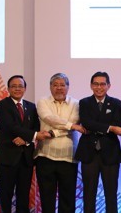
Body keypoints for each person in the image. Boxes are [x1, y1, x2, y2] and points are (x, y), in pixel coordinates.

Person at [0, 75, 50, 213]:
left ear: (25, 88)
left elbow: (36, 127)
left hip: (26, 158)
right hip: (7, 157)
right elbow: (10, 126)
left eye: (20, 86)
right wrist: (32, 135)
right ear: (8, 89)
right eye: (14, 86)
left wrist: (26, 140)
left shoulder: (31, 106)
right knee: (6, 194)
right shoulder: (1, 106)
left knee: (24, 195)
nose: (17, 89)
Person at [75, 72, 121, 213]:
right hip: (89, 153)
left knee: (111, 193)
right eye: (96, 84)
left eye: (102, 84)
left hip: (110, 152)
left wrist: (96, 127)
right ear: (91, 85)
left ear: (108, 86)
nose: (99, 87)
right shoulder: (84, 102)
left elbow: (117, 122)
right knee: (89, 193)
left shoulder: (116, 103)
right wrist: (109, 128)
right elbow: (86, 122)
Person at [35, 73, 85, 213]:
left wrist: (52, 133)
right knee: (46, 198)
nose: (59, 88)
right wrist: (70, 126)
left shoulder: (76, 104)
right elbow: (48, 118)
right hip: (45, 156)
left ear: (68, 87)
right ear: (50, 87)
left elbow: (74, 123)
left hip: (68, 158)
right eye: (55, 85)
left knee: (68, 199)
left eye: (62, 85)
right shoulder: (43, 101)